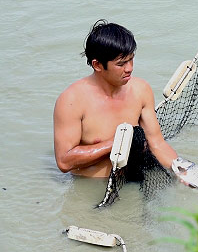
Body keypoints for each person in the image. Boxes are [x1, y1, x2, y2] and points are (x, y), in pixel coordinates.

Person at [53, 19, 178, 178]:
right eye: (121, 64)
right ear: (97, 65)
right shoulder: (71, 101)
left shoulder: (140, 89)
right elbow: (64, 161)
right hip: (93, 187)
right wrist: (118, 143)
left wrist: (185, 173)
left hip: (135, 176)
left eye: (131, 59)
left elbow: (157, 144)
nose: (130, 68)